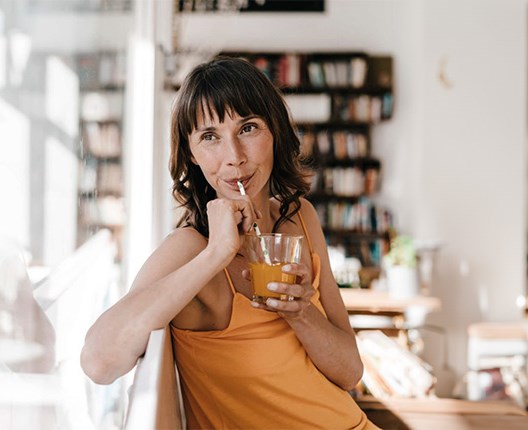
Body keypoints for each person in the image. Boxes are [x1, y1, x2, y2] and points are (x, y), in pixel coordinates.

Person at [81, 57, 376, 429]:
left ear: (276, 133)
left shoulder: (300, 216)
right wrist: (217, 252)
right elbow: (99, 362)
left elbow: (350, 372)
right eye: (210, 137)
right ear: (191, 153)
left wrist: (301, 312)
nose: (234, 157)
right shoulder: (190, 247)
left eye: (248, 128)